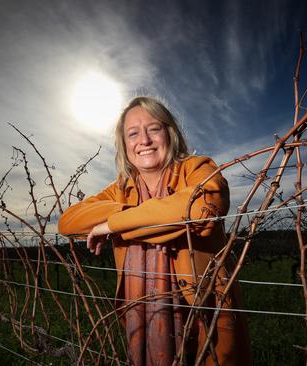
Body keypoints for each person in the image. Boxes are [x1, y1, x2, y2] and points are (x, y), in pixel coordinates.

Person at [58, 96, 251, 365]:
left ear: (169, 133)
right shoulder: (121, 190)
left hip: (206, 313)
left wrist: (113, 225)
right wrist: (131, 215)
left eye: (154, 129)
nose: (144, 141)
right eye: (133, 133)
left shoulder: (197, 168)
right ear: (125, 146)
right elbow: (69, 221)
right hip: (142, 320)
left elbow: (201, 209)